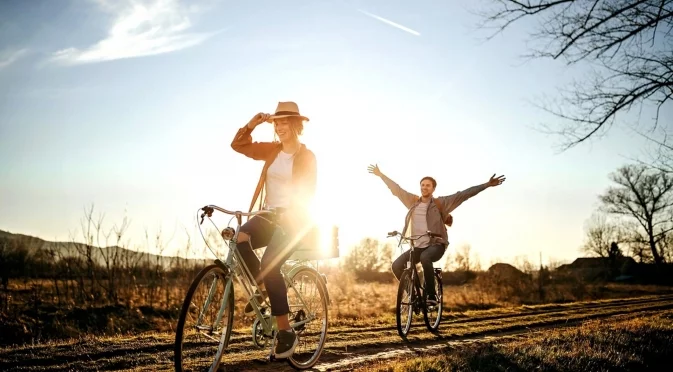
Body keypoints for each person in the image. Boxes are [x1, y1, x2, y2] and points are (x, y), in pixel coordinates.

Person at [230, 101, 317, 359]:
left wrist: (292, 212)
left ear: (295, 125)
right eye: (276, 122)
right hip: (268, 215)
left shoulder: (307, 156)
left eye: (283, 122)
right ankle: (263, 289)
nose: (279, 127)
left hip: (294, 220)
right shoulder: (272, 151)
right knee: (239, 238)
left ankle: (286, 331)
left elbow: (308, 191)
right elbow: (238, 145)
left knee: (270, 264)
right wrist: (251, 124)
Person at [367, 164, 505, 305]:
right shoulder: (412, 202)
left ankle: (431, 296)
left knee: (425, 257)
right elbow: (396, 190)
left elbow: (464, 195)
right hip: (418, 245)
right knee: (396, 266)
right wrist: (381, 175)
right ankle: (413, 294)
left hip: (436, 244)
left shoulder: (441, 203)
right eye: (422, 185)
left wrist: (487, 185)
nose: (424, 187)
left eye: (428, 185)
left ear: (433, 189)